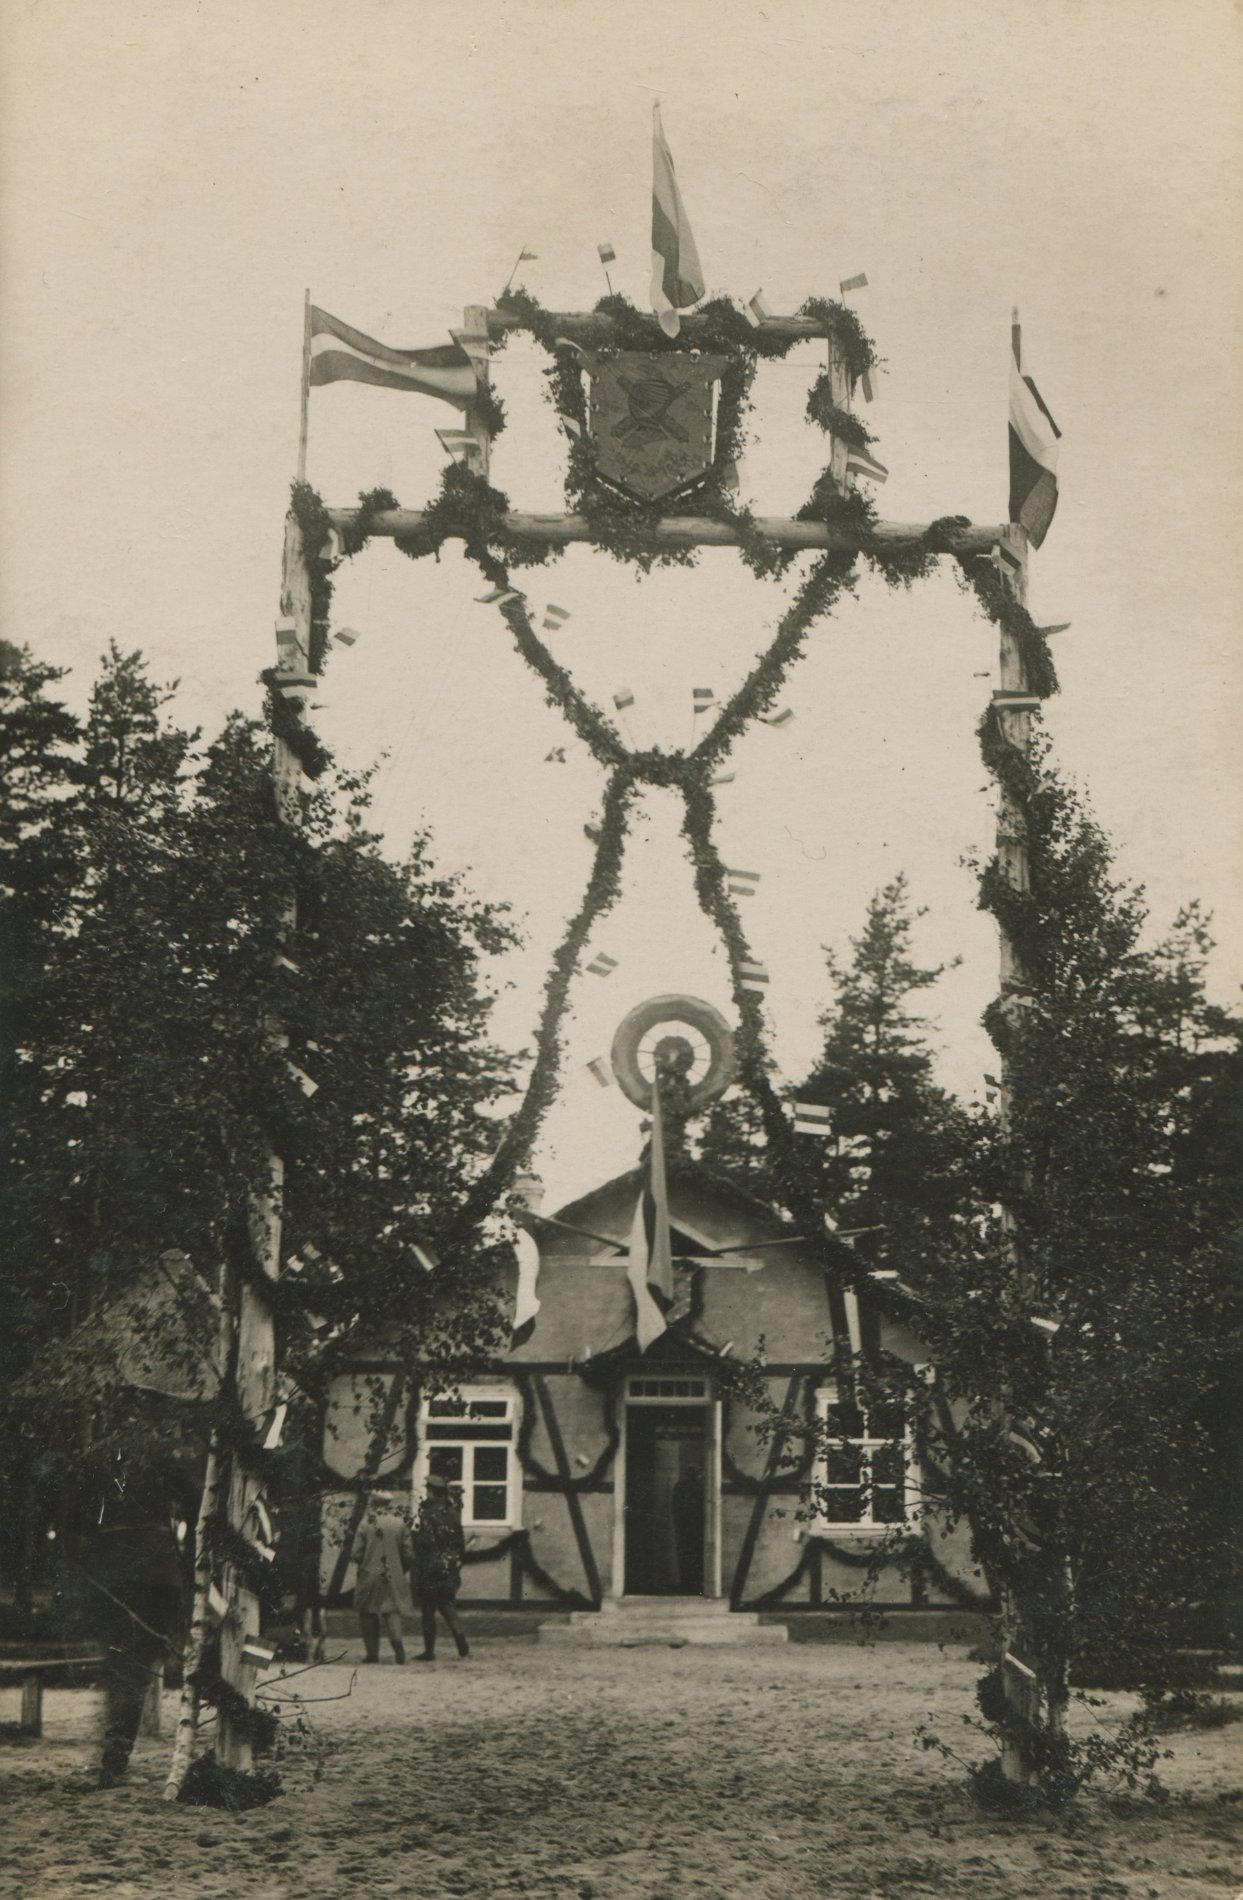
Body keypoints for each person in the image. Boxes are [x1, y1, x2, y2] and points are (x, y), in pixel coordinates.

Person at [411, 1473, 469, 1660]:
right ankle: (461, 1642)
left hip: (431, 1566)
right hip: (449, 1565)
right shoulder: (453, 1513)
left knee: (428, 1609)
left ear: (433, 1492)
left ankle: (429, 1651)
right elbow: (460, 1542)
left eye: (428, 1490)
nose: (426, 1493)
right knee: (447, 1603)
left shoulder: (428, 1514)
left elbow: (425, 1541)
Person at [352, 1494, 414, 1664]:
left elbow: (356, 1553)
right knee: (392, 1611)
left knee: (367, 1611)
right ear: (389, 1504)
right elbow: (409, 1554)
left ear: (373, 1504)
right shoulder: (400, 1524)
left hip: (370, 1573)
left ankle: (372, 1654)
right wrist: (400, 1568)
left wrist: (365, 1562)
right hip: (393, 1573)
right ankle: (398, 1649)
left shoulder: (365, 1523)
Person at [671, 1460, 705, 1594]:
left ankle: (689, 1584)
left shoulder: (681, 1486)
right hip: (691, 1525)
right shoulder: (699, 1487)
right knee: (691, 1554)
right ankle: (691, 1584)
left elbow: (674, 1507)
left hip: (688, 1525)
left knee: (688, 1554)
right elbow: (675, 1506)